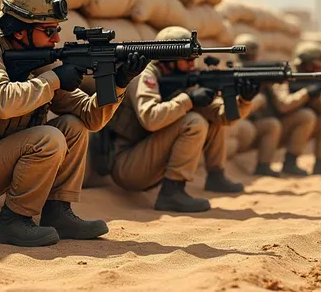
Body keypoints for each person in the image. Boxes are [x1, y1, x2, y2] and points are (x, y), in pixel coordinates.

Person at [0, 0, 148, 247]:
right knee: (48, 138)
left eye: (57, 30)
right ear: (19, 32)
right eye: (48, 30)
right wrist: (53, 79)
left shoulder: (34, 57)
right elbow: (1, 101)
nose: (56, 39)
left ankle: (57, 213)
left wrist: (120, 81)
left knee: (72, 127)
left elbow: (91, 118)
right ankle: (13, 222)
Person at [105, 26, 259, 213]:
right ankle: (171, 193)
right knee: (194, 121)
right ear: (168, 58)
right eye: (187, 59)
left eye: (194, 58)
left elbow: (222, 117)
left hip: (148, 160)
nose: (193, 64)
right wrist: (189, 99)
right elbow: (150, 119)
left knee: (207, 118)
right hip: (128, 165)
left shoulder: (185, 76)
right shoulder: (145, 76)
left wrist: (244, 100)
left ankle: (215, 176)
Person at [258, 42, 321, 176]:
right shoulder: (284, 75)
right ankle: (289, 163)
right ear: (301, 63)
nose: (316, 69)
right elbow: (283, 105)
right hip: (273, 128)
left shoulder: (311, 78)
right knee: (306, 115)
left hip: (288, 129)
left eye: (319, 66)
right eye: (313, 65)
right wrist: (306, 93)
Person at [231, 33, 284, 177]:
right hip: (239, 125)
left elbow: (281, 105)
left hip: (252, 124)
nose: (250, 59)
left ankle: (263, 166)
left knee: (272, 124)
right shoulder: (231, 73)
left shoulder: (259, 72)